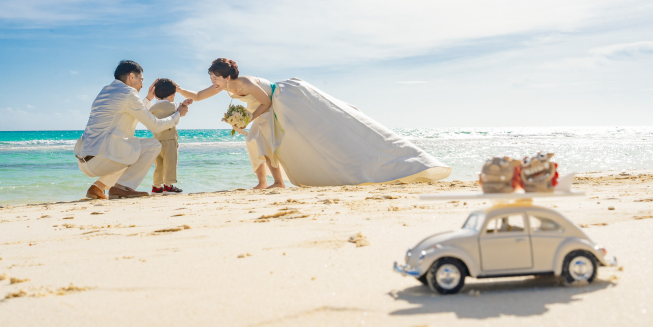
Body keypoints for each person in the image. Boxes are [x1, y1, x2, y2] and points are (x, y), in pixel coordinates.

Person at [174, 58, 451, 188]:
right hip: (266, 109)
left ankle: (274, 182)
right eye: (211, 79)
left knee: (307, 134)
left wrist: (247, 118)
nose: (213, 82)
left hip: (284, 101)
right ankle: (270, 183)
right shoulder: (222, 87)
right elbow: (197, 96)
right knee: (257, 140)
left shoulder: (245, 83)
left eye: (215, 78)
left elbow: (266, 102)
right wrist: (178, 90)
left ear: (227, 77)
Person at [74, 60, 191, 200]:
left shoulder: (106, 90)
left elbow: (131, 113)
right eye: (141, 79)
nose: (142, 84)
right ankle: (122, 187)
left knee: (129, 148)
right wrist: (178, 114)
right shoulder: (128, 93)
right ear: (131, 77)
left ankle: (98, 187)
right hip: (101, 159)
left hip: (85, 160)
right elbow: (155, 125)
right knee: (153, 145)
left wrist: (148, 99)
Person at [149, 78, 182, 194]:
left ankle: (156, 187)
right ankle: (168, 186)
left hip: (156, 140)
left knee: (158, 165)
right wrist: (180, 109)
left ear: (155, 94)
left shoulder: (152, 108)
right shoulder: (172, 106)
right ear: (172, 95)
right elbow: (175, 121)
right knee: (170, 163)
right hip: (169, 140)